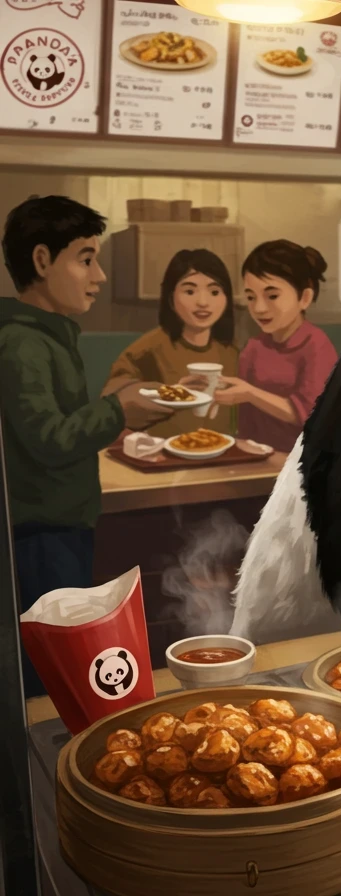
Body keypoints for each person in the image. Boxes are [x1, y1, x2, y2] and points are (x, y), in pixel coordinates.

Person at [0, 196, 172, 697]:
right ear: (40, 261)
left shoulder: (49, 335)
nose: (97, 276)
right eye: (86, 258)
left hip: (60, 524)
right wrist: (120, 410)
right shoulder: (23, 343)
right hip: (41, 533)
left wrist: (121, 410)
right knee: (53, 674)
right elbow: (49, 439)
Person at [199, 240, 338, 452]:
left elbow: (312, 416)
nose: (259, 308)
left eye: (272, 296)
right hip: (258, 458)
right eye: (251, 297)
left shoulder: (316, 346)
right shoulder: (254, 348)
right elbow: (246, 422)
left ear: (305, 297)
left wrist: (250, 394)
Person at [102, 248, 239, 438]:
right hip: (162, 457)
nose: (203, 302)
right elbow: (111, 405)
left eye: (215, 291)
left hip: (224, 456)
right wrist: (172, 394)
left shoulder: (233, 351)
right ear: (171, 298)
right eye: (189, 291)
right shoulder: (147, 349)